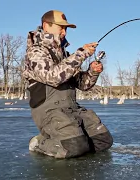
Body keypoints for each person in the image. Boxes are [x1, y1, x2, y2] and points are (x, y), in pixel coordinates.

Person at [22, 10, 113, 159]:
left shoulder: (65, 55)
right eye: (61, 27)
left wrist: (92, 72)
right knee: (75, 146)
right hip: (48, 111)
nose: (64, 32)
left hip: (71, 108)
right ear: (46, 26)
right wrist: (81, 54)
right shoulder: (36, 52)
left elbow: (82, 84)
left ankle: (71, 138)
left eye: (66, 29)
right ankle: (40, 143)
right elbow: (53, 77)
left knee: (103, 141)